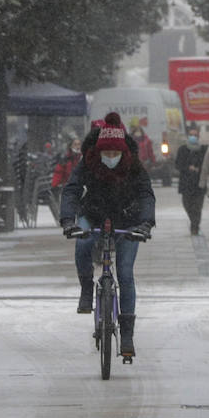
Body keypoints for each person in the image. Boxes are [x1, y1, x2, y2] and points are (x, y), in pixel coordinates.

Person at [60, 112, 155, 358]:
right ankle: (85, 288)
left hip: (127, 218)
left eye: (116, 154)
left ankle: (126, 336)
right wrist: (69, 220)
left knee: (125, 273)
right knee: (83, 243)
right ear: (98, 151)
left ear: (124, 152)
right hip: (93, 213)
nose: (111, 158)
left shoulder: (133, 164)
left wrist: (145, 223)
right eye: (106, 154)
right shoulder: (88, 161)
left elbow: (146, 193)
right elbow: (71, 189)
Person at [174, 124, 207, 236]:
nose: (193, 137)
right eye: (191, 135)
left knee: (197, 206)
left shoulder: (203, 149)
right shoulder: (182, 149)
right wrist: (188, 167)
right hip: (186, 183)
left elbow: (206, 165)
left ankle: (195, 226)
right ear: (188, 136)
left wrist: (199, 169)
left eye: (195, 135)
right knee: (187, 204)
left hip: (199, 183)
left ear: (198, 136)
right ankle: (194, 222)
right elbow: (178, 164)